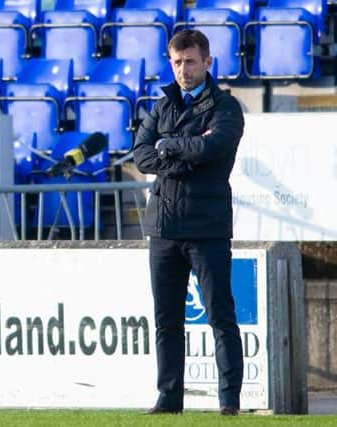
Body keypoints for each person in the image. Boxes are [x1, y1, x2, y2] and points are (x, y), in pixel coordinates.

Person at [133, 30, 244, 416]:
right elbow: (141, 155)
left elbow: (214, 148)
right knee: (166, 320)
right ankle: (169, 398)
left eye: (191, 61)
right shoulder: (162, 104)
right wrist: (183, 150)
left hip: (207, 226)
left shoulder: (226, 107)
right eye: (177, 62)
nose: (184, 70)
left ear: (208, 62)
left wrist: (171, 146)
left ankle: (229, 401)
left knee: (220, 317)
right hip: (163, 227)